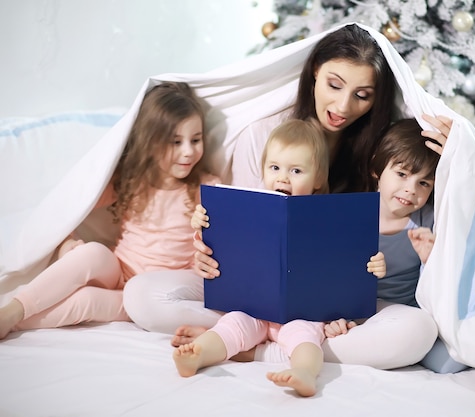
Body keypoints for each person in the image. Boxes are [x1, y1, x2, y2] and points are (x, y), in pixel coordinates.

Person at [123, 23, 439, 371]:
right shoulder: (263, 135)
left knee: (418, 330)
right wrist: (211, 253)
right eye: (334, 85)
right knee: (140, 295)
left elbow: (418, 165)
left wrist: (456, 145)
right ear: (315, 72)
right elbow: (245, 224)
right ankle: (248, 337)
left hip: (321, 307)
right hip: (250, 297)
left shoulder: (376, 151)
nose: (343, 105)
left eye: (362, 95)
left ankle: (255, 350)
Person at [324, 118, 475, 413]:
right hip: (365, 311)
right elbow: (333, 275)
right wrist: (341, 315)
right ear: (377, 168)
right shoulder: (352, 213)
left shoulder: (428, 220)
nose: (411, 189)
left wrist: (429, 259)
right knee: (435, 353)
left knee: (460, 349)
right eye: (402, 174)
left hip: (419, 310)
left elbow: (452, 267)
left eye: (423, 183)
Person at [173, 118, 386, 397]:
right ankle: (199, 355)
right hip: (255, 306)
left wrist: (375, 265)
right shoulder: (252, 208)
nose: (283, 177)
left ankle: (305, 373)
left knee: (306, 339)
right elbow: (223, 244)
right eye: (274, 168)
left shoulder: (332, 216)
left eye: (296, 170)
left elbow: (352, 261)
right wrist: (202, 224)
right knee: (232, 324)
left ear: (318, 178)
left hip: (304, 312)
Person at [0, 81, 220, 340]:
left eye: (196, 140)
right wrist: (66, 243)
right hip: (117, 270)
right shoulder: (131, 179)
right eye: (175, 142)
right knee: (92, 252)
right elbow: (68, 207)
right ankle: (11, 312)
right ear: (150, 143)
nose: (188, 152)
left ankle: (13, 324)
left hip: (151, 293)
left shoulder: (206, 188)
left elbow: (221, 243)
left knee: (85, 301)